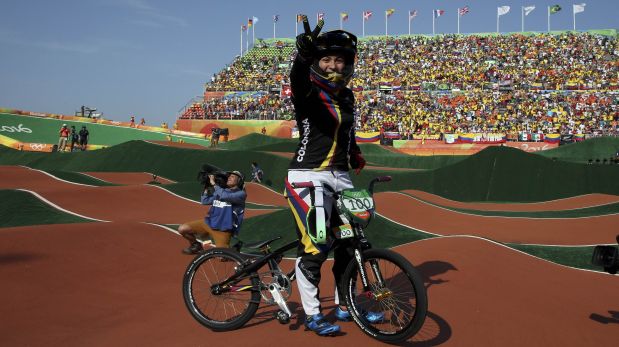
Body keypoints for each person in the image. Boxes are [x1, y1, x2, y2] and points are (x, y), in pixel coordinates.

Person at [283, 16, 373, 337]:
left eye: (340, 60)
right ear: (317, 62)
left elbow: (345, 133)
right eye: (327, 59)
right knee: (317, 245)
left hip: (340, 178)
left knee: (350, 244)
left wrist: (355, 153)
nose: (334, 65)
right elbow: (297, 79)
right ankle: (312, 313)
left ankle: (345, 303)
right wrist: (302, 56)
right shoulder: (307, 93)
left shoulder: (346, 97)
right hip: (308, 179)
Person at [178, 171, 246, 254]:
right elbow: (205, 201)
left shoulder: (241, 194)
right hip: (209, 223)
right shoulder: (222, 191)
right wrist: (206, 187)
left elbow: (225, 196)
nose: (229, 178)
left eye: (233, 176)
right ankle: (196, 245)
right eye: (229, 176)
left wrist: (214, 184)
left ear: (239, 181)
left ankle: (234, 249)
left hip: (222, 229)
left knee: (222, 257)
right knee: (182, 229)